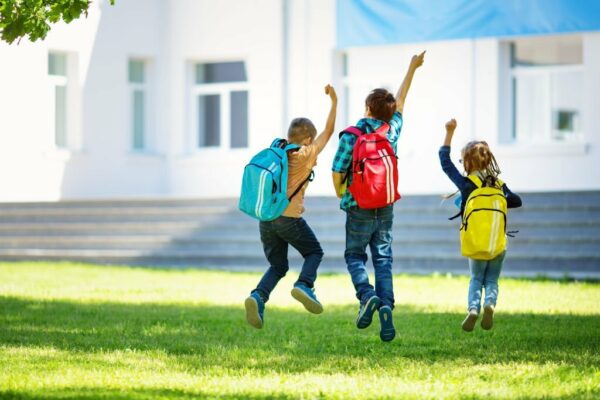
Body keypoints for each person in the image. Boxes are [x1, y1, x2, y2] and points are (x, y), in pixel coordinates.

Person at [331, 52, 425, 342]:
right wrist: (412, 68)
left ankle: (367, 295)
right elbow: (402, 100)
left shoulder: (351, 135)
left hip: (357, 205)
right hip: (385, 206)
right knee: (383, 259)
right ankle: (386, 306)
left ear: (366, 109)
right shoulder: (391, 131)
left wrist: (342, 195)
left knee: (354, 256)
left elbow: (337, 171)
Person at [244, 85, 338, 329]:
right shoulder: (305, 154)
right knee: (314, 253)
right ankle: (305, 284)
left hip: (266, 218)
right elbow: (329, 131)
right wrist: (334, 101)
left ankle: (258, 296)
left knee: (278, 265)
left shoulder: (279, 151)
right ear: (307, 139)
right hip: (289, 219)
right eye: (312, 138)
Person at [439, 118, 522, 331]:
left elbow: (444, 162)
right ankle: (490, 304)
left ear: (467, 162)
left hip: (476, 244)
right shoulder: (499, 184)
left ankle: (473, 308)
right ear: (488, 160)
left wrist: (449, 132)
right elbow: (516, 201)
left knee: (476, 279)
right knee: (492, 280)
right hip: (497, 244)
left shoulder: (468, 185)